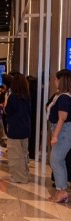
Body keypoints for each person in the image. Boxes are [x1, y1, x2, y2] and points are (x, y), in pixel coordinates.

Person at [47, 69, 71, 202]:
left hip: (63, 131)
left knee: (56, 160)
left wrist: (55, 135)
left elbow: (62, 118)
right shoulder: (61, 96)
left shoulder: (64, 97)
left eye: (56, 79)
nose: (55, 82)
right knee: (58, 161)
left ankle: (61, 191)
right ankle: (62, 190)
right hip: (63, 130)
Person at [4, 72, 31, 184]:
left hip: (15, 129)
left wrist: (6, 101)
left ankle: (19, 177)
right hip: (25, 128)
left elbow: (7, 111)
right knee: (24, 153)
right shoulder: (27, 97)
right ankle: (25, 174)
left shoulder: (13, 97)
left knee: (15, 154)